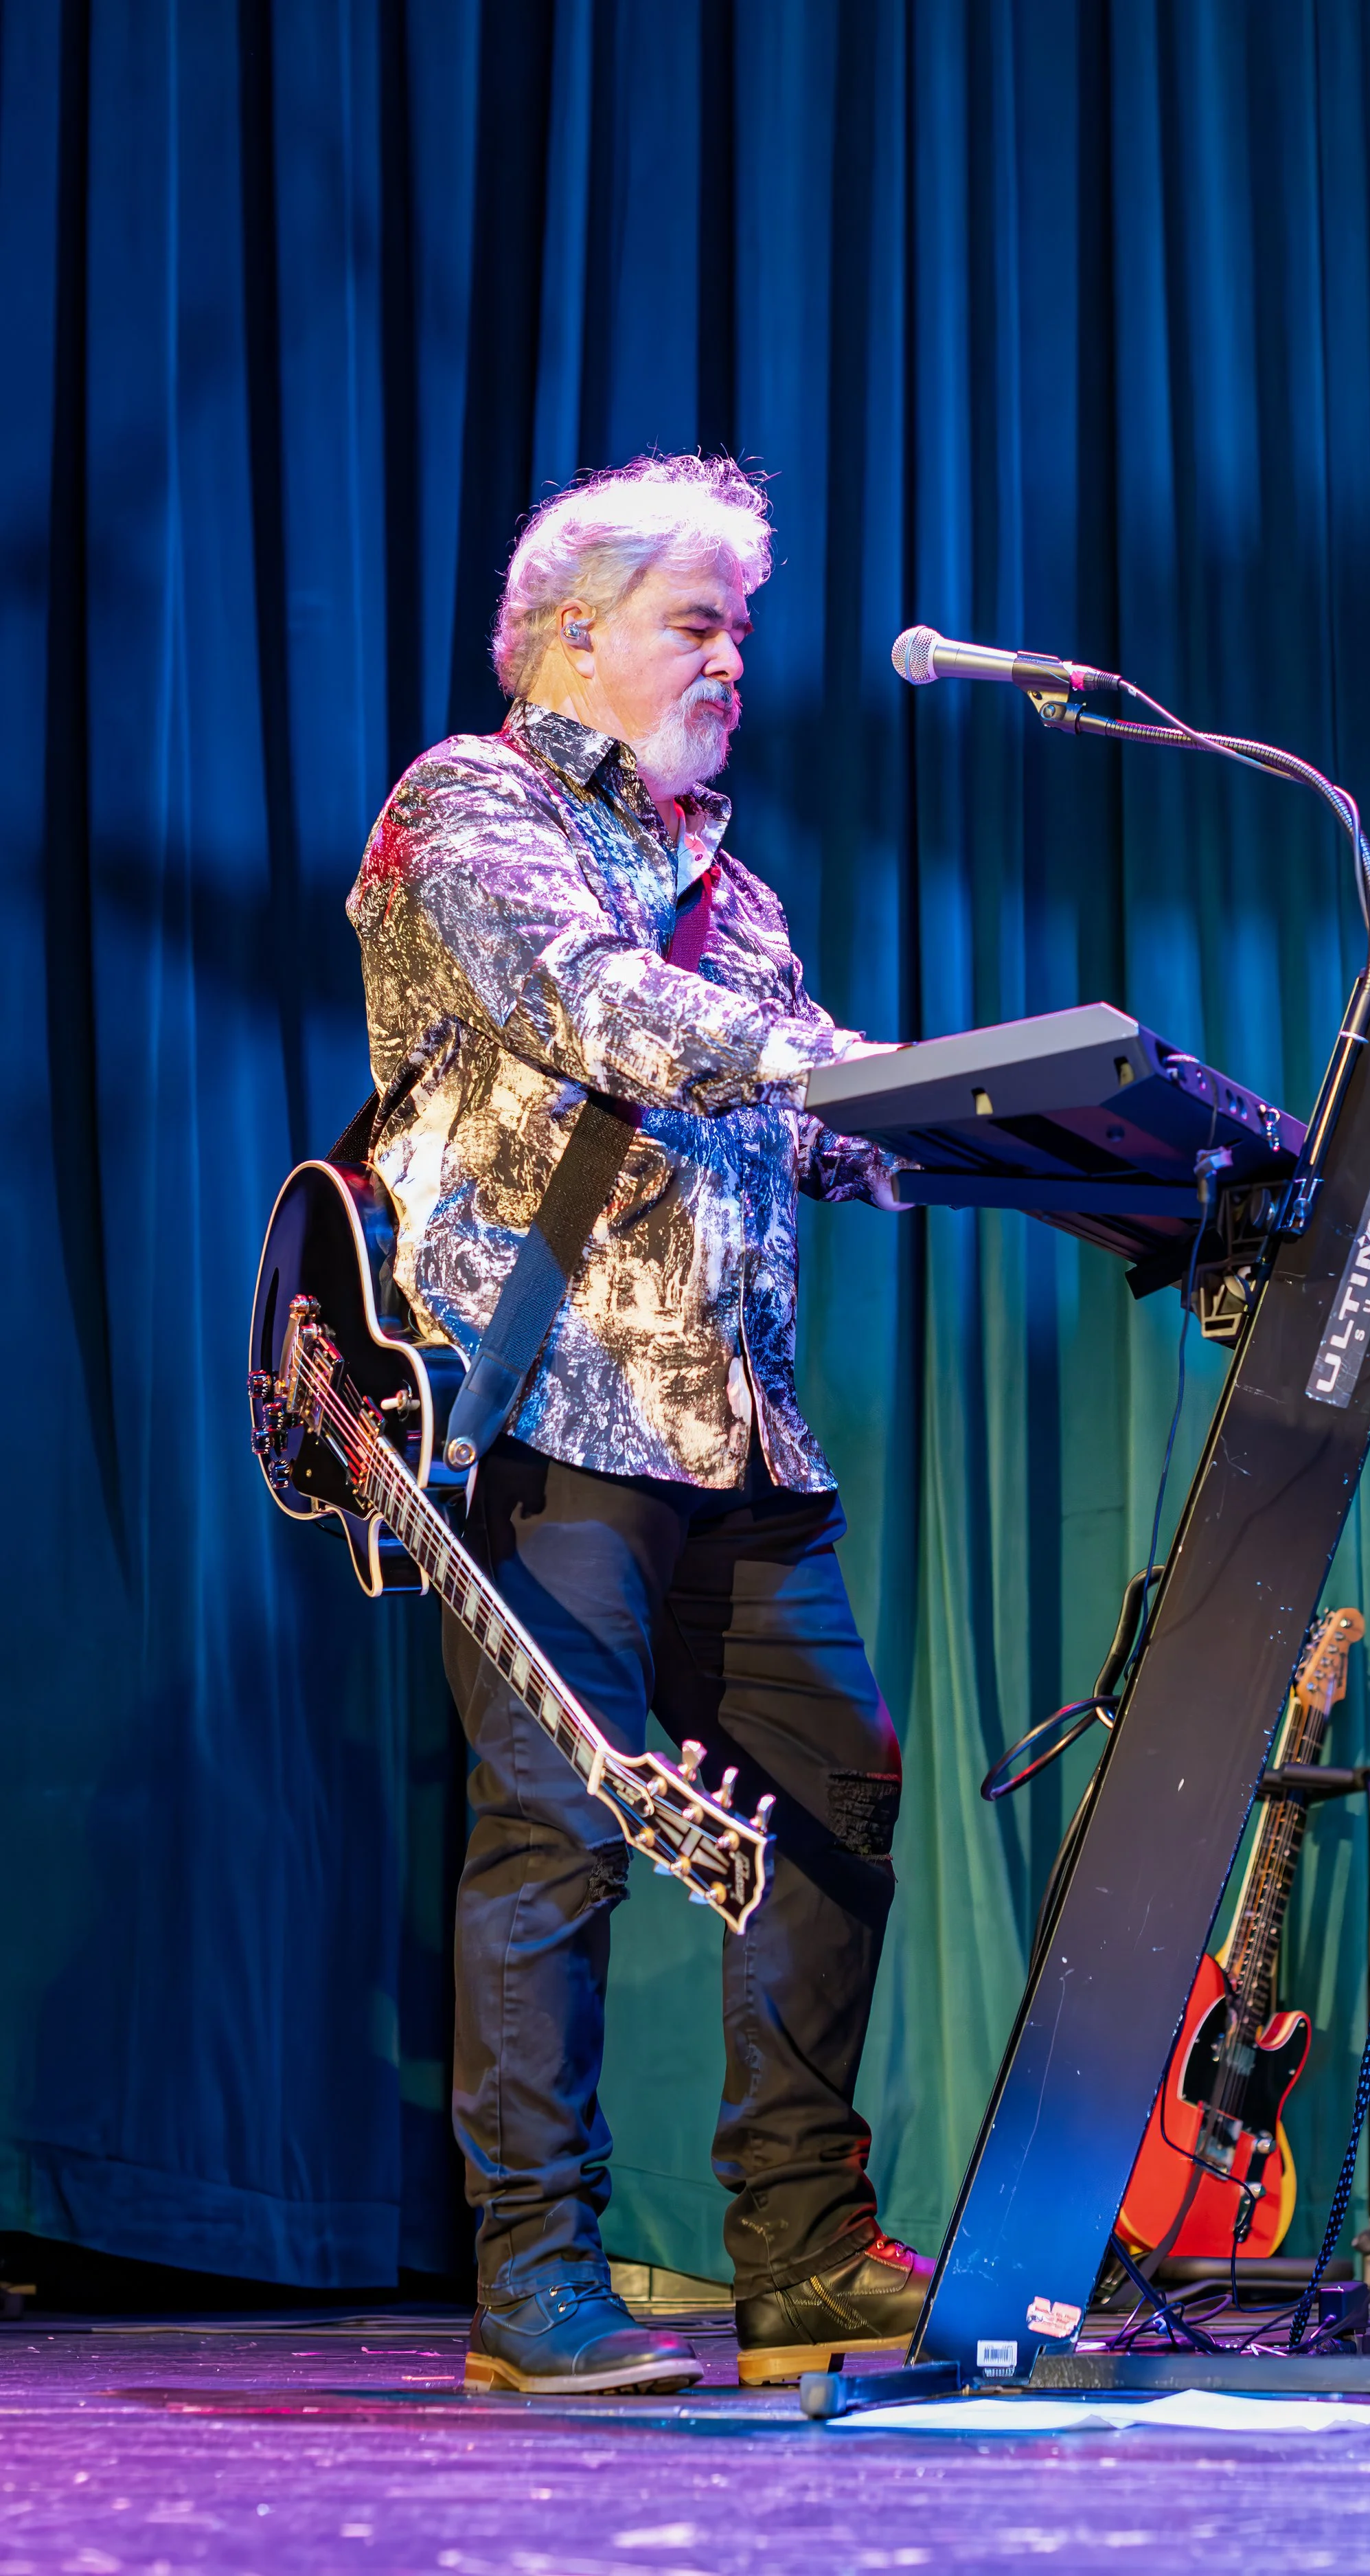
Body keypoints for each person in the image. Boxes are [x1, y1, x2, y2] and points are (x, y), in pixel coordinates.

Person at [346, 454, 931, 2395]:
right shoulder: (465, 805)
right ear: (571, 633)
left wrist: (1035, 1130)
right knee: (557, 1832)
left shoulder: (735, 889)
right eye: (700, 623)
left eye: (742, 629)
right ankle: (539, 2278)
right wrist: (854, 1069)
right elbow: (598, 1009)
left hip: (742, 1435)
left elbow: (821, 1130)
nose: (734, 660)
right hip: (547, 1411)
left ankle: (805, 2255)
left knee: (837, 1800)